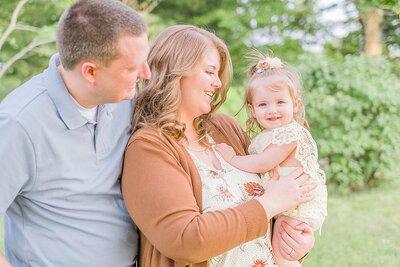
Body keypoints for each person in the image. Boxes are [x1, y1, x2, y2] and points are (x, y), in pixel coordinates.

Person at [122, 25, 317, 267]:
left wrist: (296, 244)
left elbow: (276, 203)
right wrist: (270, 203)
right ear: (176, 71)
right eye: (210, 71)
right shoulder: (149, 148)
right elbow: (186, 241)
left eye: (218, 74)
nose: (217, 83)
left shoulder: (224, 127)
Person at [0, 0, 150, 266]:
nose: (146, 74)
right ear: (90, 72)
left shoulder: (124, 99)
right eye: (131, 68)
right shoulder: (19, 123)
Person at [215, 52, 328, 266]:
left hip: (296, 206)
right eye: (263, 104)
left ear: (295, 104)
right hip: (286, 203)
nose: (272, 110)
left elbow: (261, 163)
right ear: (252, 109)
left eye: (280, 102)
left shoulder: (290, 134)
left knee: (283, 254)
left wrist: (231, 158)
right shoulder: (269, 136)